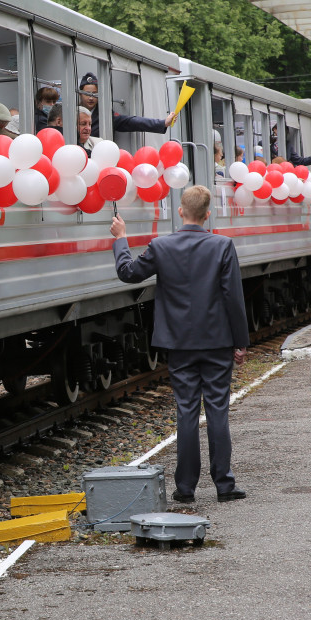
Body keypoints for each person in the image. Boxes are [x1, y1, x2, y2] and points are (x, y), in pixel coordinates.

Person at [110, 185, 249, 503]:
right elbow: (233, 299)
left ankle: (185, 488)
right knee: (217, 410)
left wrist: (120, 237)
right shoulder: (223, 246)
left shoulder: (161, 246)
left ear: (181, 212)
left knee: (186, 411)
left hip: (179, 344)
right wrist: (239, 342)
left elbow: (128, 274)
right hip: (216, 342)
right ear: (208, 214)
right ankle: (224, 485)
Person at [78, 72, 175, 137]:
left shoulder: (106, 115)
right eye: (87, 94)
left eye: (94, 94)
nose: (91, 98)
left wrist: (163, 123)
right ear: (80, 94)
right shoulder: (71, 114)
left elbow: (132, 122)